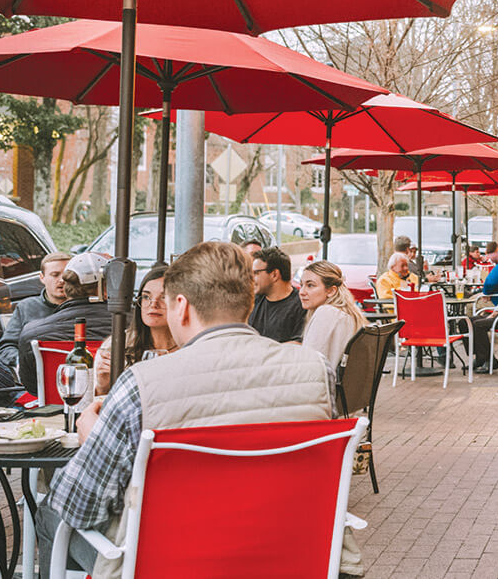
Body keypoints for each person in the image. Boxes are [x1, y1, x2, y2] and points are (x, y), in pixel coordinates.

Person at [37, 241, 362, 578]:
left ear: (182, 307)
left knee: (50, 511)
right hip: (289, 558)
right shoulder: (315, 370)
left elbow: (79, 505)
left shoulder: (140, 385)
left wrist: (94, 438)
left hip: (169, 565)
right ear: (249, 302)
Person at [18, 253, 112, 396]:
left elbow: (33, 388)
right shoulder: (137, 326)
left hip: (58, 410)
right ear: (106, 289)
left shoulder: (32, 333)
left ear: (66, 289)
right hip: (118, 409)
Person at [93, 264, 177, 396]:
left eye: (163, 297)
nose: (153, 304)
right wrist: (103, 386)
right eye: (146, 297)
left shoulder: (193, 347)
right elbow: (98, 404)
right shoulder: (116, 346)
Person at [0, 251, 70, 366]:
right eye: (55, 275)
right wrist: (23, 364)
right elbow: (6, 347)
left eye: (66, 275)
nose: (61, 280)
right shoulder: (26, 307)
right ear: (42, 278)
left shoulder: (84, 307)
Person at [299, 260, 369, 368]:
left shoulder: (327, 313)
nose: (302, 292)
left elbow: (308, 365)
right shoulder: (345, 313)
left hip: (323, 382)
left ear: (331, 291)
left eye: (310, 285)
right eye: (301, 285)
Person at [248, 247, 306, 343]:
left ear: (274, 274)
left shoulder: (302, 305)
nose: (251, 278)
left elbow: (298, 344)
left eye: (256, 273)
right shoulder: (254, 301)